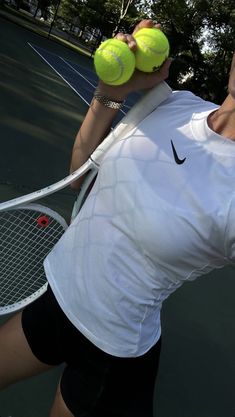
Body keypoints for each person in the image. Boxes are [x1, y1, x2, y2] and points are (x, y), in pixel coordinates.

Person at [0, 18, 235, 417]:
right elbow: (79, 174)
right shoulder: (173, 103)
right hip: (57, 299)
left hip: (110, 354)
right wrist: (110, 94)